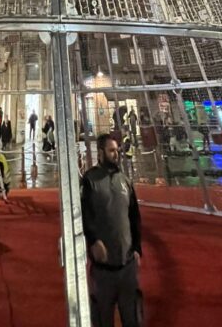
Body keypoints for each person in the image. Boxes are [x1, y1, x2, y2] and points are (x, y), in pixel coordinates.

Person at [81, 134, 143, 327]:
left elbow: (134, 217)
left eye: (117, 150)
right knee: (102, 318)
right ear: (100, 153)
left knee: (131, 318)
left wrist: (137, 249)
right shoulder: (90, 180)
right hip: (103, 270)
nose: (116, 154)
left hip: (127, 266)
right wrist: (93, 241)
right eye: (111, 150)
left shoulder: (125, 181)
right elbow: (84, 214)